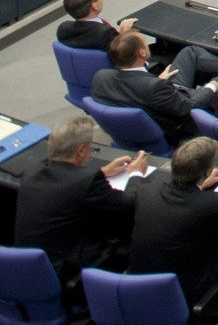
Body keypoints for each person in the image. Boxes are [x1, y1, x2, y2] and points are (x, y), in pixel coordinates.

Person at [128, 135, 218, 312]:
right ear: (205, 173)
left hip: (140, 292)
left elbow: (136, 186)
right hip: (188, 299)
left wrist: (199, 185)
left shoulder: (147, 191)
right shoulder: (213, 204)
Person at [14, 113, 145, 278]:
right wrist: (136, 174)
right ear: (81, 150)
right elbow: (129, 203)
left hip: (26, 267)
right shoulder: (86, 180)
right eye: (90, 147)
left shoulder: (33, 170)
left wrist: (103, 172)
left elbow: (68, 183)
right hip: (61, 273)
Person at [90, 29, 218, 146]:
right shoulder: (155, 87)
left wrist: (156, 80)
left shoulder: (100, 77)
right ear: (142, 53)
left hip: (161, 97)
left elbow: (136, 91)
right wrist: (213, 85)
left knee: (190, 52)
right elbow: (190, 106)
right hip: (180, 119)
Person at [56, 0, 132, 49]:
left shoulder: (63, 29)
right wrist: (122, 34)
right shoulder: (105, 34)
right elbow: (122, 54)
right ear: (94, 6)